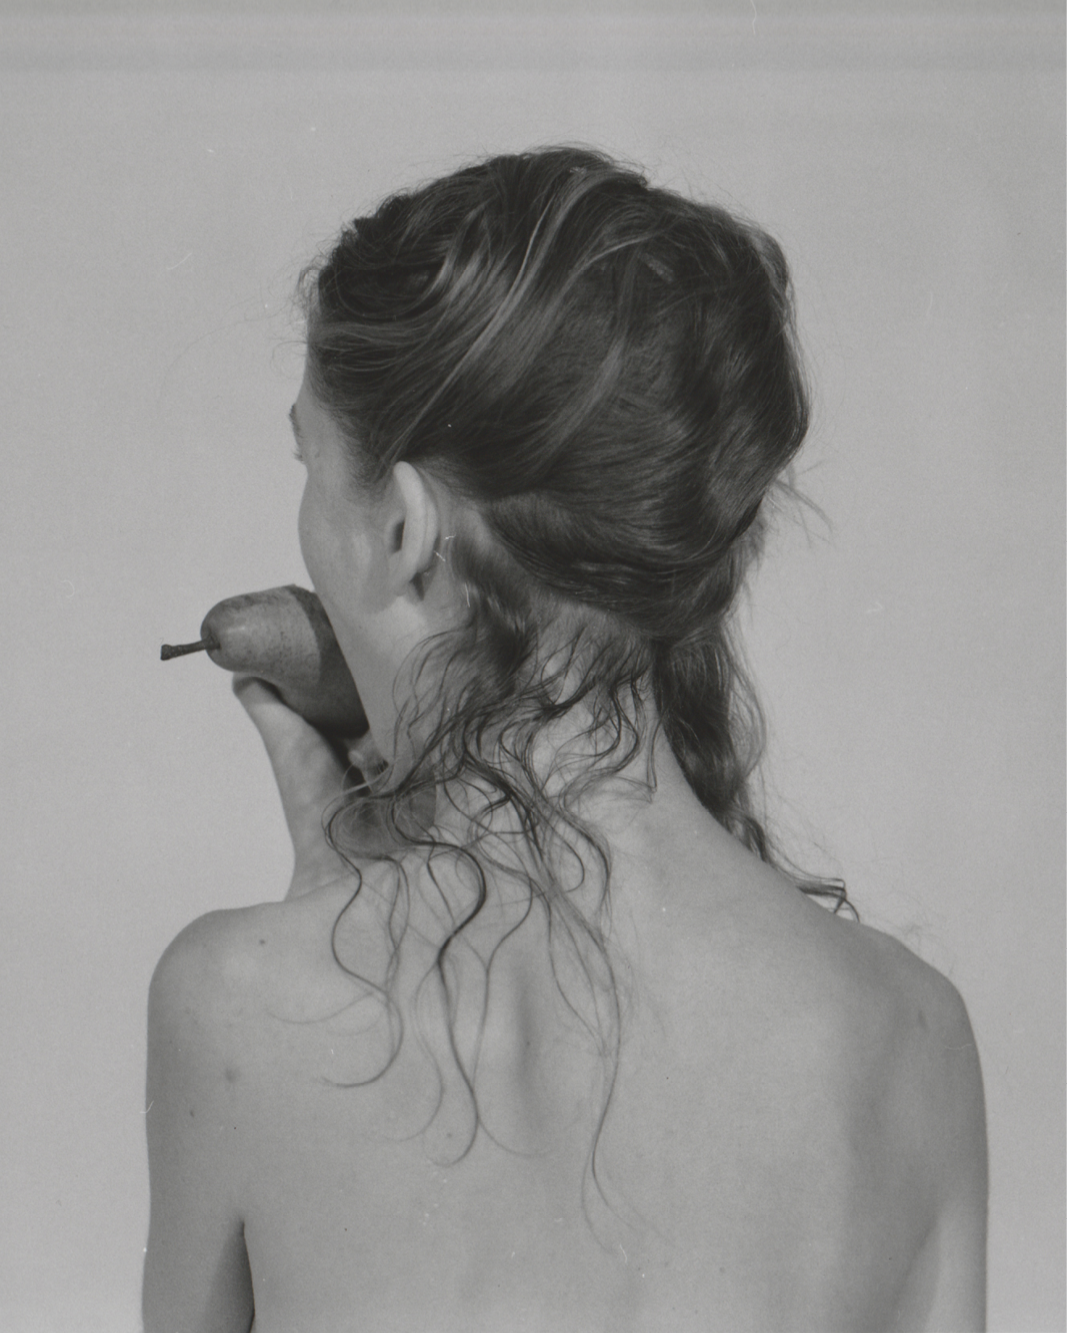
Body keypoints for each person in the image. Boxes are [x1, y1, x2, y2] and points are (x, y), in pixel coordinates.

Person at [142, 147, 987, 1332]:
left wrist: (324, 925)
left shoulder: (237, 1009)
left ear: (402, 527)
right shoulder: (907, 1038)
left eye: (308, 462)